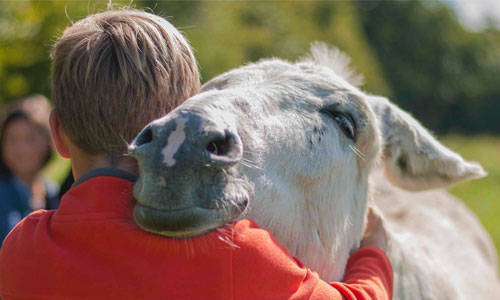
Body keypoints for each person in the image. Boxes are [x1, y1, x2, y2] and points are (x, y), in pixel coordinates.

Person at [0, 9, 392, 300]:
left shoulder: (22, 247)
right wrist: (374, 252)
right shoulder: (233, 251)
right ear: (182, 126)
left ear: (58, 135)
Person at [0, 95, 59, 245]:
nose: (21, 149)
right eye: (12, 139)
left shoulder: (52, 191)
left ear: (47, 142)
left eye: (29, 139)